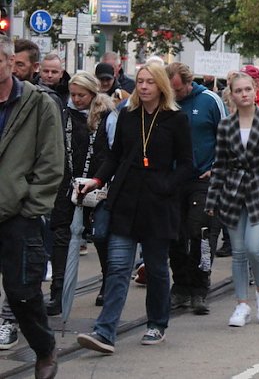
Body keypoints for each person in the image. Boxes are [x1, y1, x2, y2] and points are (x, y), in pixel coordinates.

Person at [76, 61, 195, 354]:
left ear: (161, 86)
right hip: (126, 201)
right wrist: (97, 179)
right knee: (117, 268)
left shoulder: (175, 119)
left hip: (158, 205)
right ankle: (104, 332)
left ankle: (157, 323)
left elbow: (187, 165)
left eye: (149, 82)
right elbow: (115, 156)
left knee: (155, 269)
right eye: (140, 81)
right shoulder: (127, 115)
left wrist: (166, 186)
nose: (142, 86)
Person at [0, 35, 64, 378]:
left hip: (18, 215)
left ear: (12, 63)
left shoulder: (38, 103)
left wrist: (31, 206)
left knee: (22, 293)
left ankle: (44, 349)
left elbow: (52, 162)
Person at [205, 72, 259, 327]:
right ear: (231, 94)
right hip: (232, 192)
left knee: (254, 247)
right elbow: (219, 164)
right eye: (238, 90)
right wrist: (212, 200)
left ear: (256, 91)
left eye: (247, 89)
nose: (243, 94)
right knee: (239, 252)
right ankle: (241, 304)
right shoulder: (226, 126)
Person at [47, 73, 114, 317]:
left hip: (98, 184)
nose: (76, 99)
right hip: (68, 184)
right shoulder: (64, 114)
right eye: (73, 95)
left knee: (101, 237)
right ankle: (58, 292)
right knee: (61, 235)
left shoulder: (108, 117)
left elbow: (113, 151)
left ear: (93, 93)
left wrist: (104, 182)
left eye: (81, 95)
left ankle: (108, 285)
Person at [166, 62, 227, 316]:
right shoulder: (165, 100)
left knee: (201, 233)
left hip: (204, 177)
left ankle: (200, 287)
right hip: (173, 178)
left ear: (188, 83)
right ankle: (180, 284)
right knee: (175, 236)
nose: (175, 95)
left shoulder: (210, 100)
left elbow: (226, 136)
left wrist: (218, 167)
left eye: (178, 90)